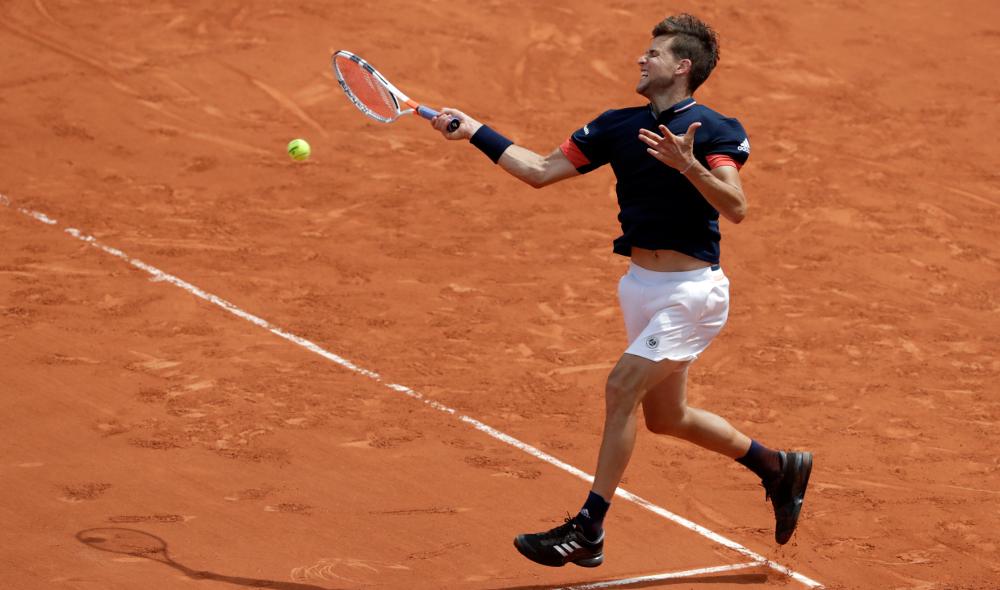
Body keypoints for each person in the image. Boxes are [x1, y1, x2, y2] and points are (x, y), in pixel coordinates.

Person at [430, 13, 812, 568]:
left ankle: (588, 529)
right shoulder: (616, 125)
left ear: (682, 67)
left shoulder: (712, 129)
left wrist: (689, 167)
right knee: (666, 418)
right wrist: (475, 131)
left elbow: (737, 206)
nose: (641, 59)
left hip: (691, 294)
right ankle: (777, 466)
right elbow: (539, 170)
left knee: (619, 388)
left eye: (652, 54)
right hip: (640, 289)